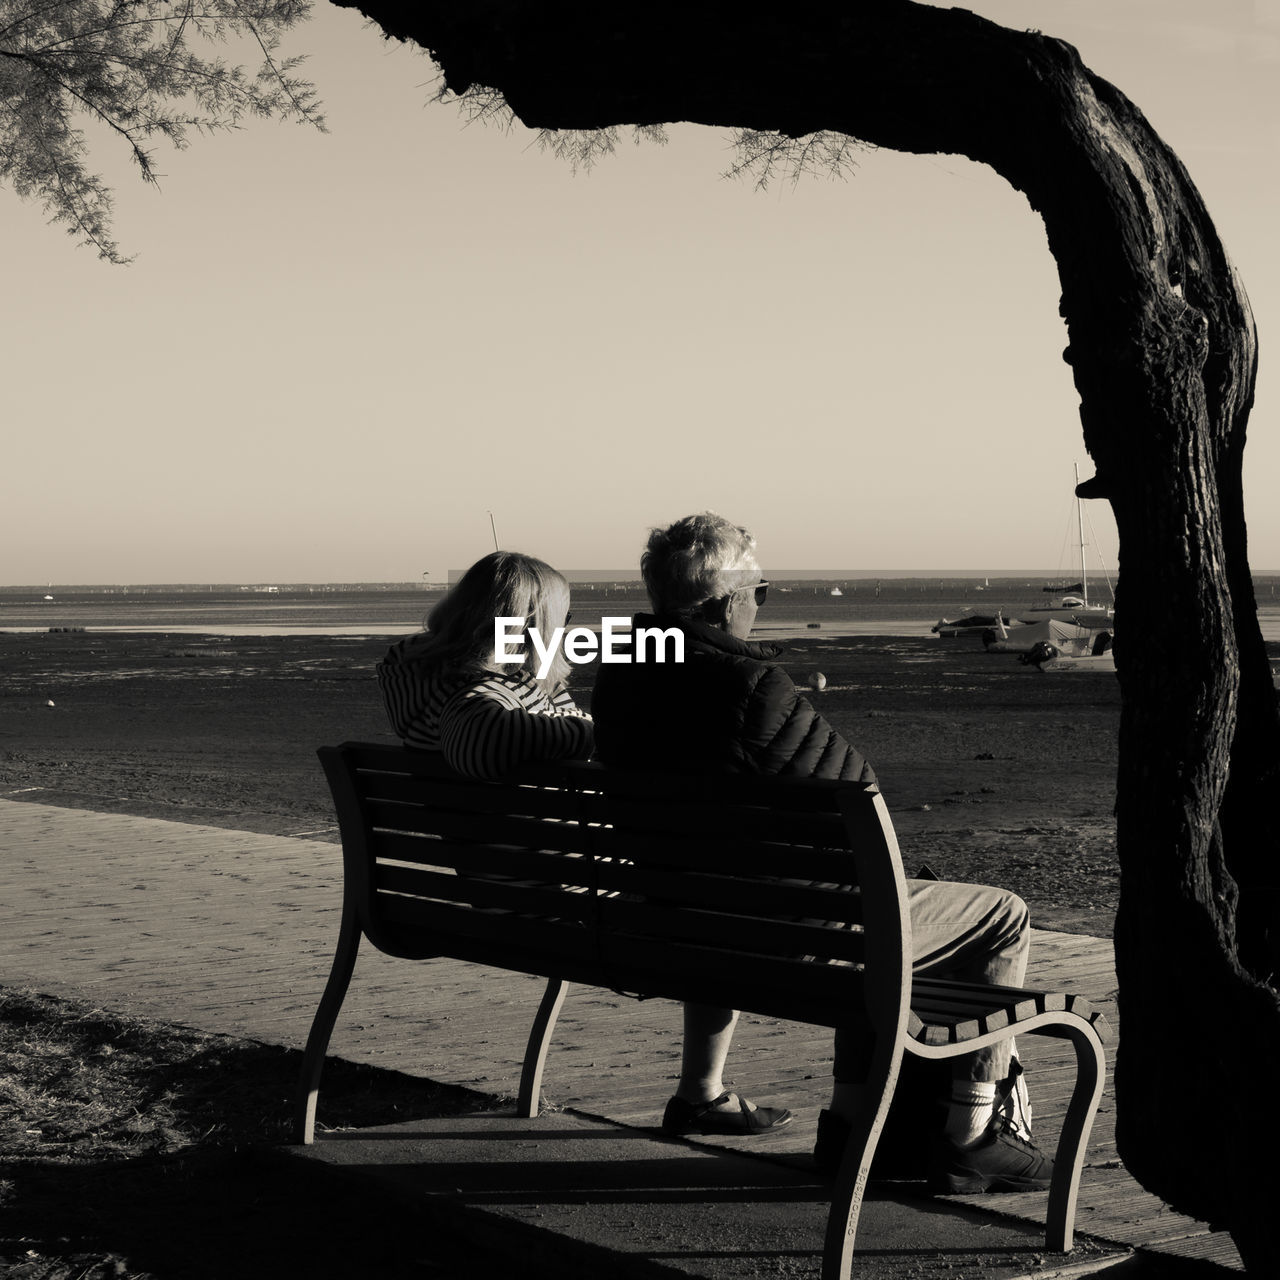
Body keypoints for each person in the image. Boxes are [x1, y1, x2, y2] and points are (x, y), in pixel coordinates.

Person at [590, 512, 1051, 1195]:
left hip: (680, 921)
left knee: (837, 903)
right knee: (998, 913)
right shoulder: (748, 685)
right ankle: (973, 1133)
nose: (761, 604)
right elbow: (857, 793)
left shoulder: (623, 670)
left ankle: (849, 1128)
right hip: (777, 936)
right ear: (727, 599)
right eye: (762, 591)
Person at [378, 551, 593, 779]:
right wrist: (594, 732)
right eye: (563, 619)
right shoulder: (476, 696)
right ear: (533, 627)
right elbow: (484, 736)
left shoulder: (429, 691)